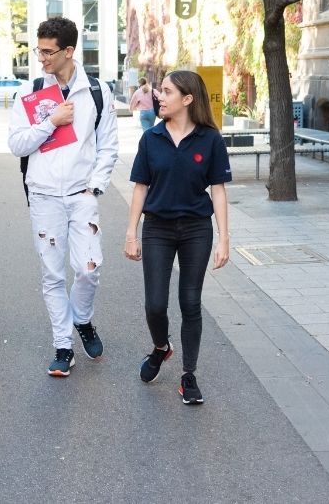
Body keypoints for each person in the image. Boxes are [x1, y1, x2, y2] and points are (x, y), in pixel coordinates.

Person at [8, 17, 119, 377]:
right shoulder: (30, 92)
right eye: (38, 50)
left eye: (48, 52)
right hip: (43, 196)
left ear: (68, 51)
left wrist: (95, 185)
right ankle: (63, 346)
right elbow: (17, 144)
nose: (41, 58)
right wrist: (50, 122)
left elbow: (108, 145)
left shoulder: (97, 91)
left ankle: (82, 318)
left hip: (81, 194)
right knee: (52, 274)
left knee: (89, 268)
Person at [123, 70, 231, 405]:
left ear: (187, 99)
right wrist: (131, 232)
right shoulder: (151, 139)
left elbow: (218, 190)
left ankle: (189, 375)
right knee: (155, 305)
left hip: (196, 229)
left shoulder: (210, 139)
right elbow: (140, 187)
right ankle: (161, 347)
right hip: (158, 228)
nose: (159, 96)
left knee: (190, 302)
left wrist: (224, 239)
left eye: (167, 91)